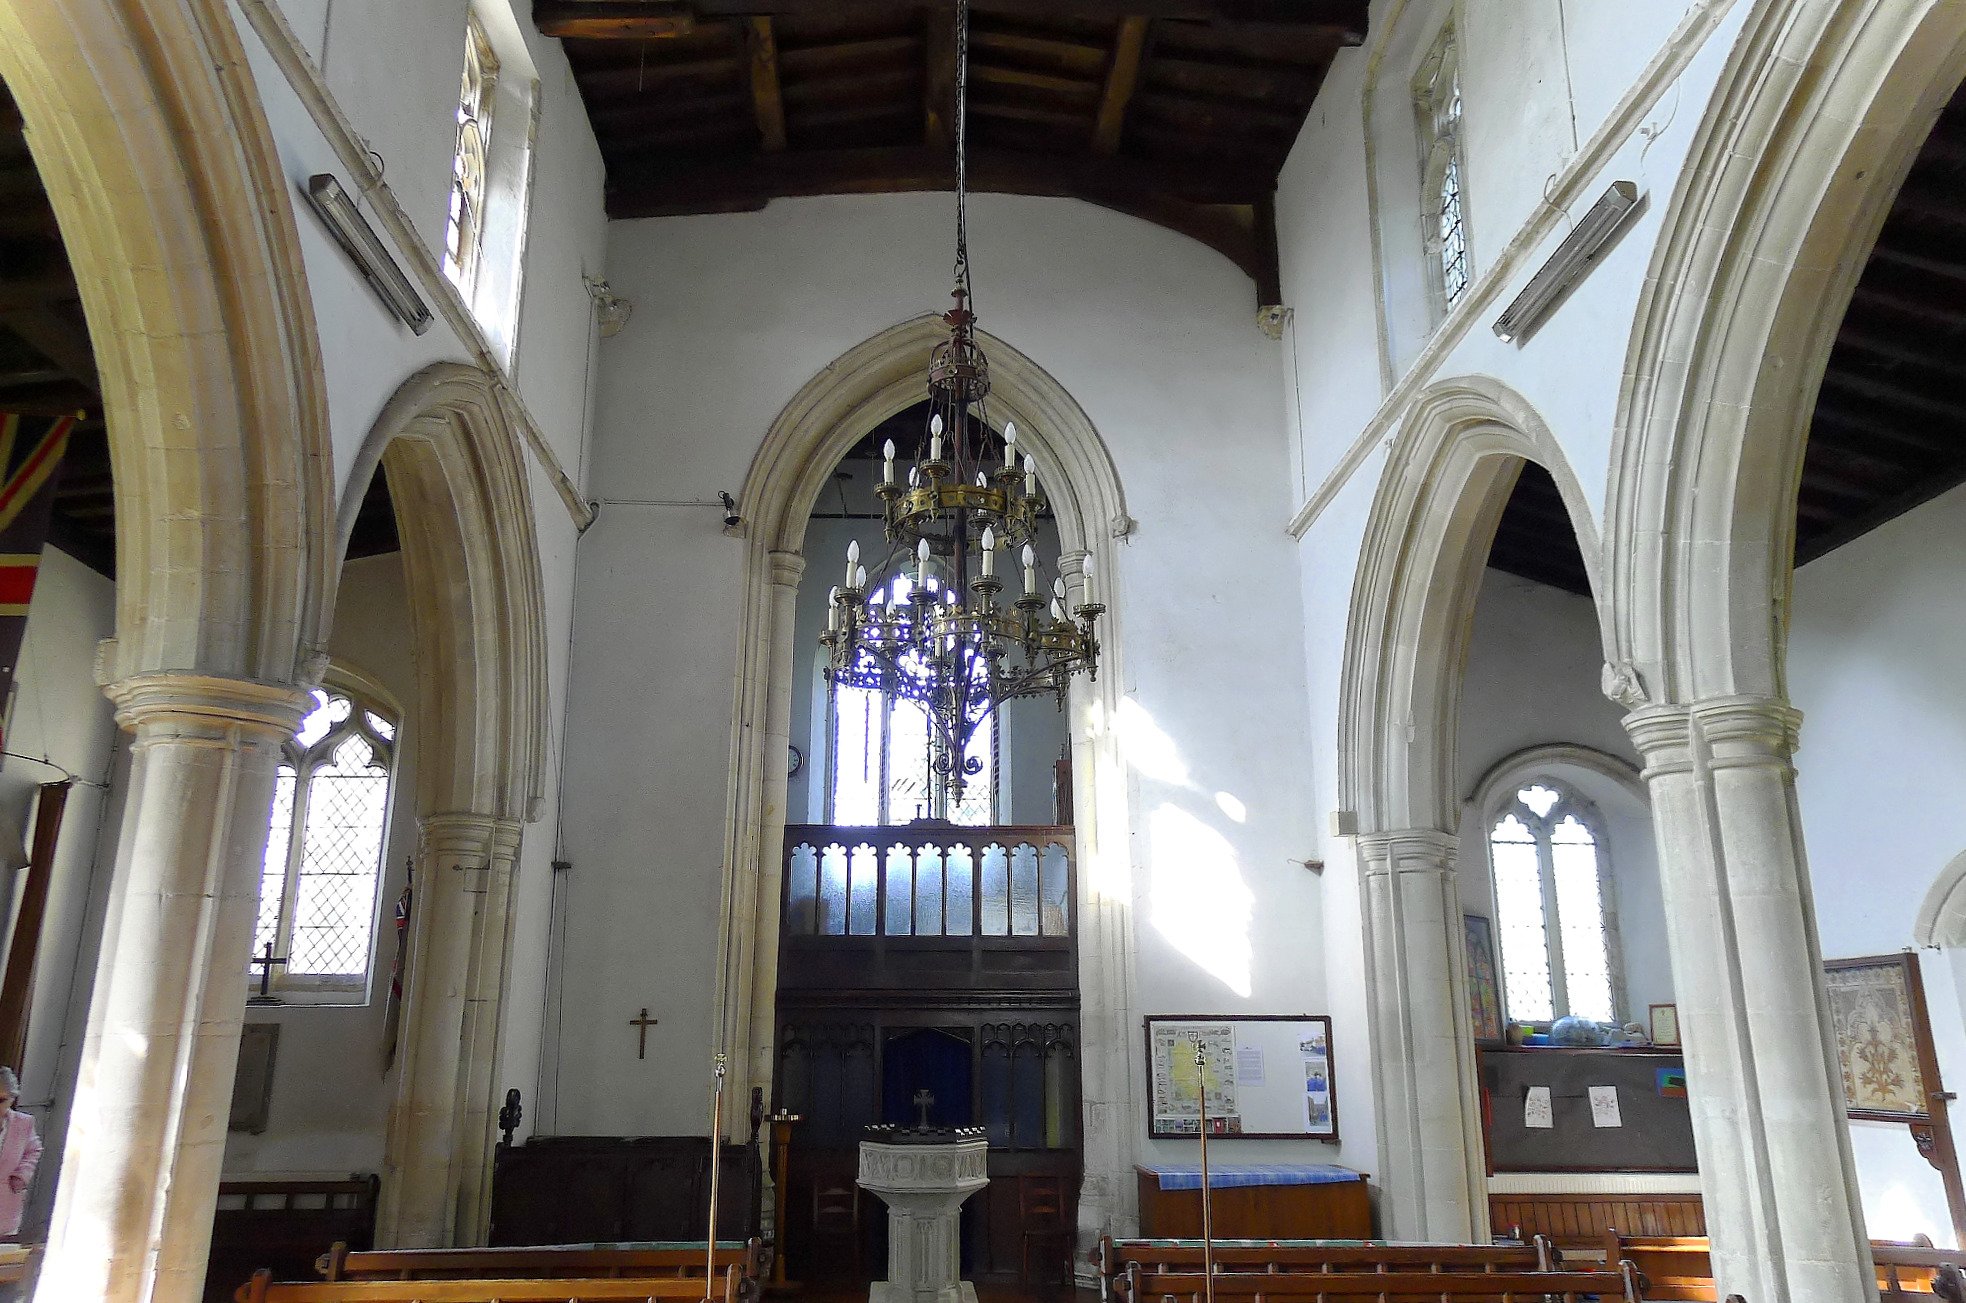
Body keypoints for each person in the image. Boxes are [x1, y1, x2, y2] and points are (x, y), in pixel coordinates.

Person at [0, 1070, 40, 1238]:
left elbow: (34, 1150)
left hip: (6, 1207)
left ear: (12, 1099)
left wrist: (21, 1176)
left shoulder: (23, 1123)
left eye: (1, 1100)